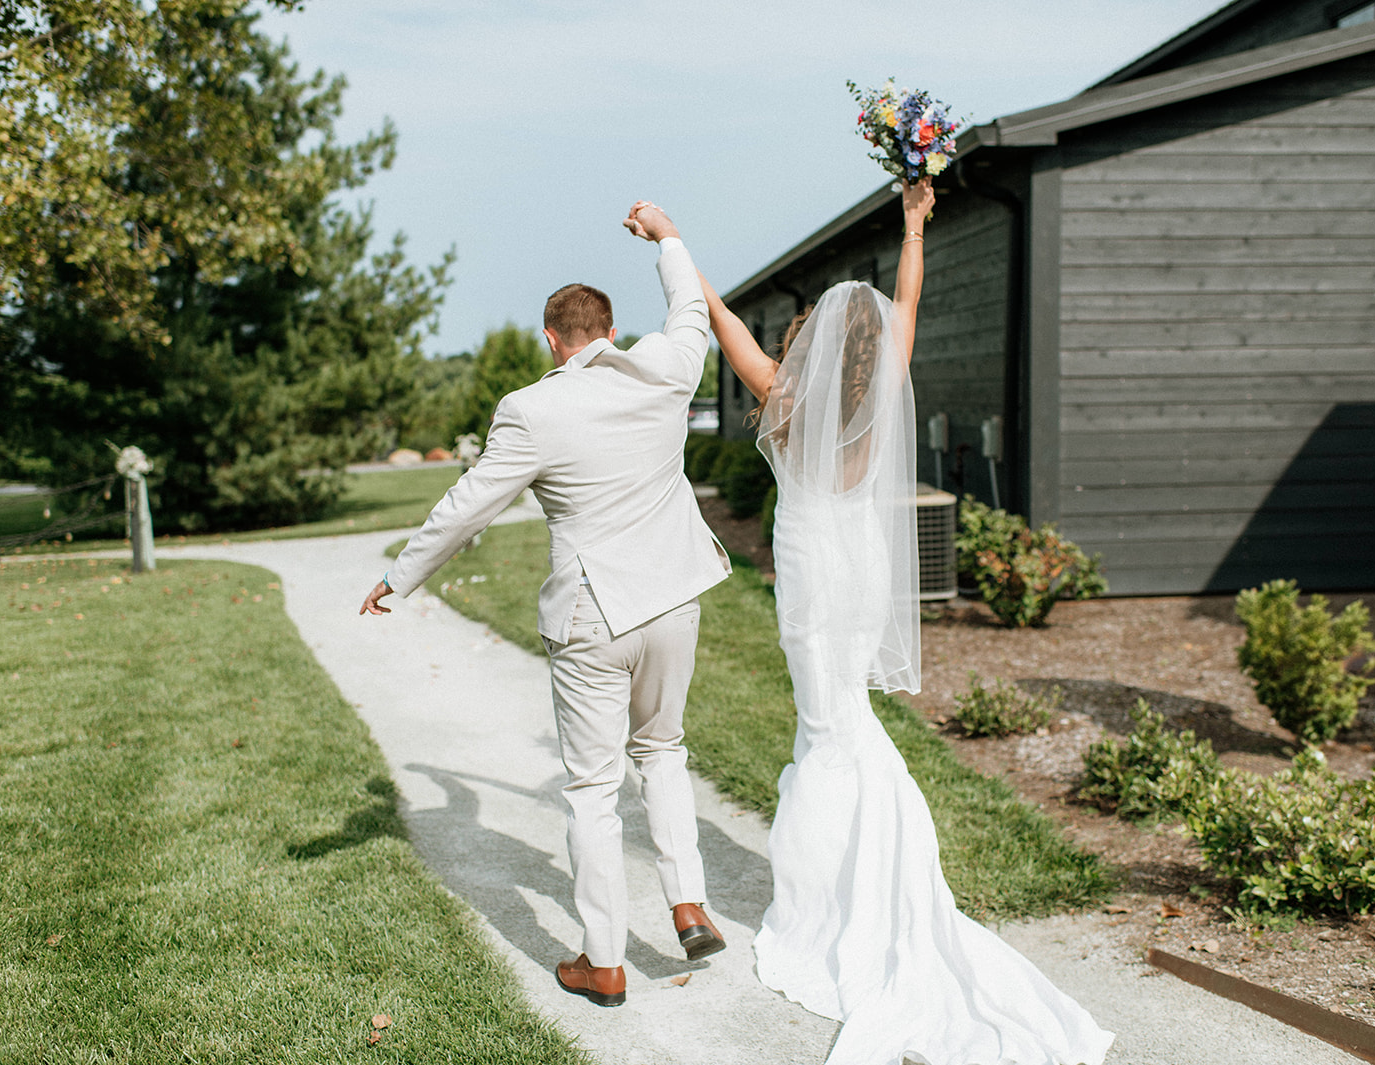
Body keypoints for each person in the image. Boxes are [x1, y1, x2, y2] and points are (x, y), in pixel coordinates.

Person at [680, 181, 1115, 1065]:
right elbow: (908, 297)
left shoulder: (786, 399)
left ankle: (825, 900)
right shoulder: (885, 388)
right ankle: (872, 865)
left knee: (823, 728)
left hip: (810, 583)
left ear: (811, 340)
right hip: (861, 575)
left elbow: (723, 324)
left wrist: (676, 246)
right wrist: (915, 225)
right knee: (846, 721)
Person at [360, 202, 733, 1008]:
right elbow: (691, 307)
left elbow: (468, 503)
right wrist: (666, 235)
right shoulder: (668, 370)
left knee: (594, 789)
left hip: (595, 616)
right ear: (607, 330)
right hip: (675, 602)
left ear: (552, 340)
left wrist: (401, 575)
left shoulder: (532, 407)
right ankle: (688, 902)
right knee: (662, 751)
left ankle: (602, 962)